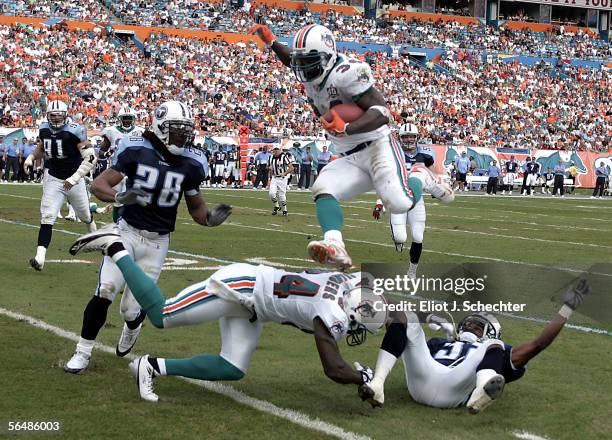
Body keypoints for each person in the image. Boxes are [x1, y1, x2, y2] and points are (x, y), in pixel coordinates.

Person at [69, 227, 386, 402]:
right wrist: (364, 379)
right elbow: (333, 368)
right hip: (242, 288)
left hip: (256, 306)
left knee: (232, 366)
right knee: (161, 315)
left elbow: (346, 280)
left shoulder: (347, 282)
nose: (355, 331)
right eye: (358, 324)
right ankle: (115, 246)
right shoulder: (332, 313)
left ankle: (149, 367)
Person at [249, 23, 452, 270]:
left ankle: (422, 177)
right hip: (348, 154)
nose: (302, 67)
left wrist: (347, 129)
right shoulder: (311, 65)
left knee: (399, 204)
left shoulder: (347, 72)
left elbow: (382, 112)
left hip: (378, 147)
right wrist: (270, 41)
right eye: (302, 61)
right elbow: (291, 59)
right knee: (322, 186)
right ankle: (335, 245)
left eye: (309, 61)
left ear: (327, 56)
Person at [63, 100, 231, 374]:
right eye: (177, 130)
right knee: (105, 290)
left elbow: (196, 207)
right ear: (161, 128)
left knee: (131, 309)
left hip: (157, 243)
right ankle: (82, 352)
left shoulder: (191, 162)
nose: (184, 136)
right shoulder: (137, 147)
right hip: (126, 233)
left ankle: (132, 326)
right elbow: (98, 185)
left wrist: (211, 220)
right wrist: (120, 196)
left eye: (186, 130)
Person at [359, 279, 590, 413]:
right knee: (405, 317)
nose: (471, 325)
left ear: (489, 330)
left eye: (478, 325)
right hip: (422, 378)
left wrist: (567, 308)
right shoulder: (440, 342)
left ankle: (482, 390)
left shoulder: (492, 349)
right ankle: (378, 384)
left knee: (495, 346)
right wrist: (373, 291)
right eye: (469, 322)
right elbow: (397, 330)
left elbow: (538, 344)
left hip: (455, 388)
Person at [25, 100, 98, 271]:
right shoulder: (43, 128)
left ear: (66, 115)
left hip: (74, 179)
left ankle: (96, 238)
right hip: (54, 177)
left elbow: (91, 158)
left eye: (59, 115)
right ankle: (40, 257)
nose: (56, 119)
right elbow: (42, 147)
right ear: (48, 116)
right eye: (53, 115)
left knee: (85, 215)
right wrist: (31, 158)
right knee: (47, 216)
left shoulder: (75, 130)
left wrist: (75, 178)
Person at [373, 123, 435, 279]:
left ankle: (412, 271)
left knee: (418, 236)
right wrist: (380, 202)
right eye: (405, 136)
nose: (408, 139)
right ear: (400, 138)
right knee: (401, 237)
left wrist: (435, 188)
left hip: (417, 200)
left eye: (411, 136)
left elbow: (433, 175)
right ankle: (397, 239)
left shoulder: (426, 156)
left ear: (416, 137)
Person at [100, 106, 145, 222]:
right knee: (118, 201)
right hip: (116, 170)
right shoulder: (111, 131)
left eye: (129, 118)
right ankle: (117, 225)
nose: (127, 121)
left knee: (133, 200)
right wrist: (106, 154)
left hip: (134, 170)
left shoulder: (140, 131)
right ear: (120, 118)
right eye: (125, 118)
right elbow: (101, 150)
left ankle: (129, 224)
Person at [267, 145, 294, 216]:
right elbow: (268, 166)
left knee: (282, 195)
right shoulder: (271, 157)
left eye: (277, 149)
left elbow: (291, 167)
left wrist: (285, 173)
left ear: (280, 150)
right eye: (274, 149)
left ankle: (285, 210)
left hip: (282, 178)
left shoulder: (284, 157)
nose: (276, 151)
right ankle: (277, 206)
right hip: (274, 177)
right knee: (271, 193)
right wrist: (269, 168)